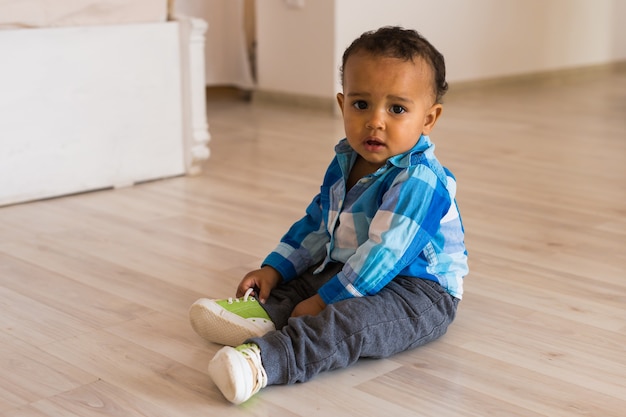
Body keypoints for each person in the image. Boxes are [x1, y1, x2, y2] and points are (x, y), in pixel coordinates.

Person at [189, 26, 468, 405]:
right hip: (356, 266)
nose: (375, 121)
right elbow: (318, 227)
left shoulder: (422, 180)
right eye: (361, 105)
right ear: (342, 104)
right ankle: (265, 314)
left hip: (418, 290)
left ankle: (266, 361)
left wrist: (326, 301)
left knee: (350, 322)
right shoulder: (346, 162)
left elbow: (384, 254)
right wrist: (275, 269)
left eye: (397, 109)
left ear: (429, 119)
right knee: (309, 278)